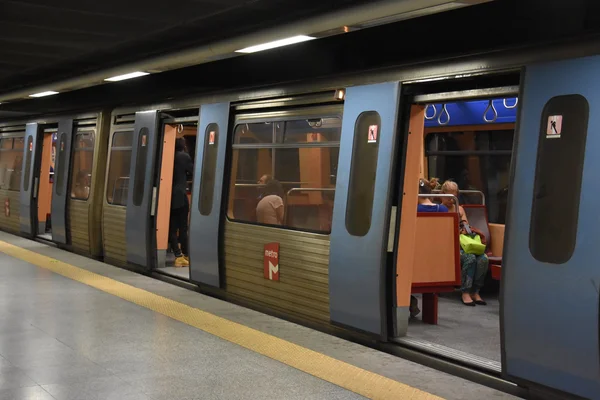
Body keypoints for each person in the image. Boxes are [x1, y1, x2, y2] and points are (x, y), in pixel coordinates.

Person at [441, 180, 488, 306]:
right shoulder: (439, 209)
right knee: (470, 258)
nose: (451, 200)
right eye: (449, 196)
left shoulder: (460, 209)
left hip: (462, 244)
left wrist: (467, 230)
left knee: (483, 259)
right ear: (443, 194)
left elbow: (466, 226)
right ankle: (465, 291)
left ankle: (475, 291)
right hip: (449, 245)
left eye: (454, 196)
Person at [409, 178, 449, 318]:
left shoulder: (412, 211)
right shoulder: (443, 210)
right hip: (437, 259)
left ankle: (409, 301)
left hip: (415, 258)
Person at [169, 137, 194, 267]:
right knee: (183, 227)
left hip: (169, 196)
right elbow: (193, 170)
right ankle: (184, 254)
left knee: (172, 228)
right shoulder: (184, 156)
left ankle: (178, 255)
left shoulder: (169, 155)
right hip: (180, 195)